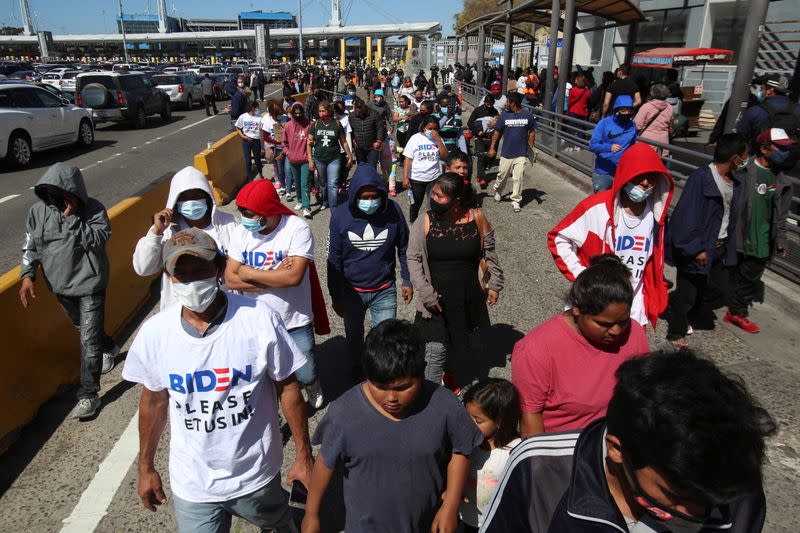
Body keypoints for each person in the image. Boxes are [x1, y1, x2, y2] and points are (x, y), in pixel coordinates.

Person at [122, 228, 314, 533]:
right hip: (193, 485)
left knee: (280, 524)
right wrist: (145, 467)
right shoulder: (155, 334)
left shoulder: (259, 319)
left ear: (219, 268)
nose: (192, 281)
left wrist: (304, 456)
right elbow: (154, 401)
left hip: (255, 475)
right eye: (181, 273)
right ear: (170, 278)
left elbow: (287, 386)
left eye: (200, 270)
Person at [481, 350, 776, 532]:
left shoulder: (734, 489)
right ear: (617, 451)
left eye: (707, 500)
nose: (699, 514)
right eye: (677, 495)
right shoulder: (539, 470)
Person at [301, 319, 484, 533]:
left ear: (423, 369)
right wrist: (311, 514)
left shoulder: (446, 406)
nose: (391, 398)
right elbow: (325, 462)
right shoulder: (343, 413)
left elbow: (460, 450)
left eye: (403, 388)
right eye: (379, 386)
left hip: (426, 524)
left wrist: (450, 506)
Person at [20, 163, 117, 420]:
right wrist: (28, 275)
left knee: (87, 339)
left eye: (62, 191)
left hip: (90, 284)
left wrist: (72, 218)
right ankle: (109, 346)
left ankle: (89, 394)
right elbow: (31, 246)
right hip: (60, 286)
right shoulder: (37, 213)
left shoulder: (94, 210)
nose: (57, 196)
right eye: (52, 191)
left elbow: (98, 241)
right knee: (85, 330)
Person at [512, 254, 649, 437]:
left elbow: (646, 393)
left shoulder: (635, 333)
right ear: (576, 307)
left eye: (622, 321)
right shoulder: (535, 350)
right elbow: (530, 421)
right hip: (566, 454)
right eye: (604, 324)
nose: (616, 331)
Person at [548, 142, 674, 330]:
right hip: (595, 305)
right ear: (626, 174)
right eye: (640, 176)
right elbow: (558, 238)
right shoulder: (596, 208)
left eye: (651, 177)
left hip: (634, 309)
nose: (646, 183)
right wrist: (583, 276)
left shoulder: (656, 216)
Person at [407, 174, 504, 392]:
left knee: (456, 343)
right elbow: (413, 258)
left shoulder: (477, 218)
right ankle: (431, 396)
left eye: (439, 196)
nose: (433, 198)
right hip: (434, 299)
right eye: (433, 193)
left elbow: (489, 252)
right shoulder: (425, 220)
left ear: (456, 201)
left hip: (465, 296)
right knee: (434, 350)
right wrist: (425, 292)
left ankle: (449, 373)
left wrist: (495, 283)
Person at [327, 164, 413, 380]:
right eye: (364, 197)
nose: (370, 201)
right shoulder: (339, 216)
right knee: (354, 337)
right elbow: (334, 259)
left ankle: (380, 376)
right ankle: (358, 369)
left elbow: (404, 247)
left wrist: (407, 279)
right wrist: (335, 296)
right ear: (354, 195)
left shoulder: (393, 211)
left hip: (384, 289)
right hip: (351, 292)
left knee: (385, 339)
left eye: (374, 196)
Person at [665, 134, 747, 348]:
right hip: (698, 248)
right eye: (745, 156)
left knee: (721, 290)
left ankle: (683, 305)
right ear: (735, 158)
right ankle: (676, 331)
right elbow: (685, 216)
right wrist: (695, 248)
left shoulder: (734, 183)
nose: (746, 160)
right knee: (688, 293)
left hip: (720, 246)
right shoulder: (701, 178)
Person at [133, 166, 237, 309]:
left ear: (207, 197)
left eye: (196, 196)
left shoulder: (230, 224)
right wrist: (156, 233)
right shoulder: (166, 230)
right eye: (184, 198)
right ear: (175, 201)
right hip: (178, 310)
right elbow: (143, 269)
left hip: (223, 306)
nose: (191, 202)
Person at [725, 128, 794, 334]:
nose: (785, 152)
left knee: (750, 279)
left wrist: (781, 240)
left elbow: (781, 216)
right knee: (732, 274)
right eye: (780, 147)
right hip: (738, 236)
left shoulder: (782, 182)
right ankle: (731, 307)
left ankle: (737, 313)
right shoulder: (742, 171)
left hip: (762, 240)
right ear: (763, 149)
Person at [459, 379, 521, 532]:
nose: (470, 424)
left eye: (478, 420)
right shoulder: (464, 442)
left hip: (498, 523)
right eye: (467, 416)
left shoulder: (514, 451)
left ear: (500, 421)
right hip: (468, 518)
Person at [488, 92, 537, 213]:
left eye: (507, 101)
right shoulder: (504, 116)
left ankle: (516, 200)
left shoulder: (528, 115)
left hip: (521, 153)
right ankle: (498, 190)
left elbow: (531, 132)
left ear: (513, 102)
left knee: (518, 177)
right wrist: (492, 148)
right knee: (502, 175)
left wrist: (531, 149)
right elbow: (496, 133)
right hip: (506, 153)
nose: (506, 103)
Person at [736, 74, 800, 158]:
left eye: (762, 89)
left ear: (770, 91)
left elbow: (741, 135)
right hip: (789, 161)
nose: (760, 92)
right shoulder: (797, 109)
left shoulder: (756, 111)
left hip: (759, 159)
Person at [307, 101, 354, 210]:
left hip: (334, 158)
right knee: (323, 183)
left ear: (329, 111)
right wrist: (310, 160)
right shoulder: (315, 125)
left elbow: (344, 141)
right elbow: (308, 143)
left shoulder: (337, 124)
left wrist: (349, 155)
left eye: (323, 111)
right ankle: (325, 200)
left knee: (333, 183)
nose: (321, 113)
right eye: (319, 111)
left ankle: (334, 206)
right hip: (319, 159)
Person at [403, 116, 449, 222]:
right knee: (415, 204)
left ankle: (432, 223)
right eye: (430, 128)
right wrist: (405, 178)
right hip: (417, 178)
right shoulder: (415, 138)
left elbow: (445, 156)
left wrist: (438, 139)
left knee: (433, 203)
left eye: (435, 128)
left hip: (434, 178)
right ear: (424, 127)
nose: (432, 131)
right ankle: (413, 222)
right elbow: (408, 160)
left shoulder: (438, 139)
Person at [588, 95, 638, 193]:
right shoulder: (604, 123)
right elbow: (592, 145)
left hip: (621, 173)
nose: (626, 113)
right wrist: (609, 147)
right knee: (599, 202)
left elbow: (632, 147)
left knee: (617, 204)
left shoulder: (632, 126)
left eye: (629, 111)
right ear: (616, 110)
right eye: (623, 111)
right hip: (603, 172)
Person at [282, 102, 313, 218]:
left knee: (305, 183)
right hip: (292, 159)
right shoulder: (288, 126)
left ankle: (306, 207)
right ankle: (299, 200)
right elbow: (284, 143)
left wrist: (310, 157)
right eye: (296, 114)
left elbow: (312, 142)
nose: (298, 115)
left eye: (300, 113)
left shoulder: (309, 125)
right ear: (292, 114)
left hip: (304, 159)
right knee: (297, 182)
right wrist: (288, 153)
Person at [468, 93, 499, 189]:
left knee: (488, 157)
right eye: (488, 103)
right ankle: (482, 178)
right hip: (479, 137)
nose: (489, 105)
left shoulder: (495, 111)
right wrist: (478, 131)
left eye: (491, 103)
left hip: (490, 138)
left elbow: (499, 125)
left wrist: (495, 123)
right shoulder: (478, 110)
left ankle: (481, 173)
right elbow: (470, 123)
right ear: (485, 102)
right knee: (481, 156)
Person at [262, 99, 291, 198]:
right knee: (279, 168)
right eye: (275, 113)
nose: (277, 115)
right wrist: (277, 141)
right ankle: (282, 185)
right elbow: (265, 136)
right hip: (276, 148)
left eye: (278, 112)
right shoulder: (267, 119)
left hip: (287, 148)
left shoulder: (285, 118)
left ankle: (288, 189)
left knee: (287, 168)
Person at [634, 83, 674, 156]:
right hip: (663, 141)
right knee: (659, 164)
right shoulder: (670, 107)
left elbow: (637, 125)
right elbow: (669, 125)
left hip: (646, 141)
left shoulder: (646, 106)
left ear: (652, 93)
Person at [349, 97, 387, 167]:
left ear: (365, 107)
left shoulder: (374, 114)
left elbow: (380, 128)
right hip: (359, 147)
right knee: (361, 167)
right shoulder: (352, 116)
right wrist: (353, 140)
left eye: (361, 111)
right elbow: (350, 130)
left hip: (373, 146)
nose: (360, 113)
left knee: (372, 166)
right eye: (358, 111)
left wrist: (379, 141)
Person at [235, 100, 263, 182]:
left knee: (257, 160)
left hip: (256, 141)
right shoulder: (243, 117)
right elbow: (238, 127)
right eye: (255, 107)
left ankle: (260, 174)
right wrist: (243, 136)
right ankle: (250, 179)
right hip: (246, 141)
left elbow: (262, 127)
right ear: (251, 108)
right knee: (248, 161)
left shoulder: (259, 117)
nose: (257, 109)